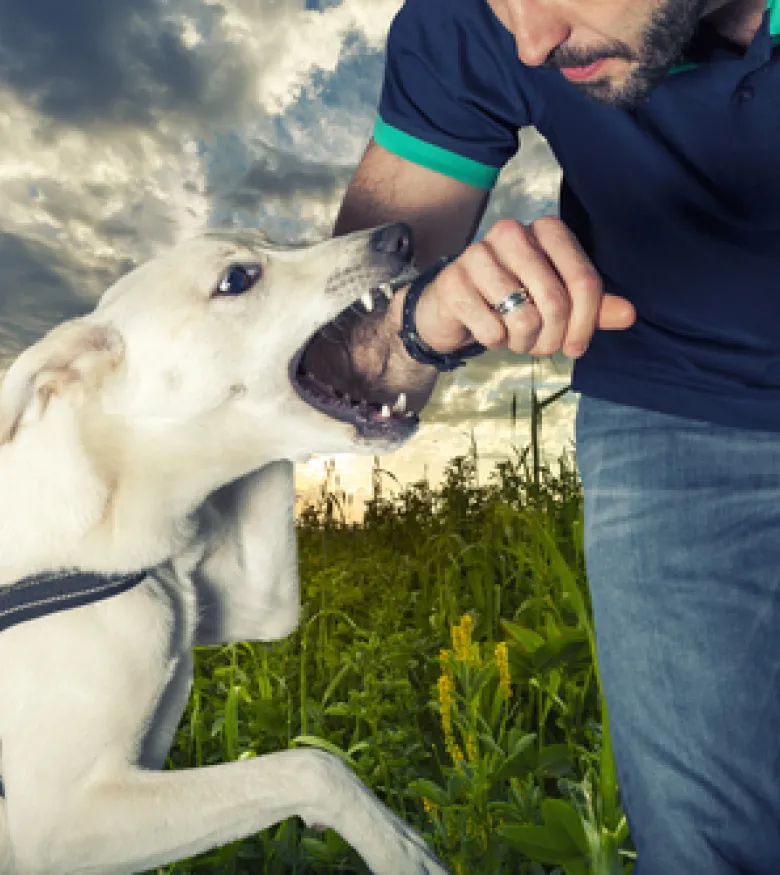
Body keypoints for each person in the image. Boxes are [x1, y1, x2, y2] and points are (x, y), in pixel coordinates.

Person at [329, 0, 780, 872]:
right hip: (673, 421)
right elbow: (347, 359)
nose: (530, 39)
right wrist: (425, 317)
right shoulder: (477, 26)